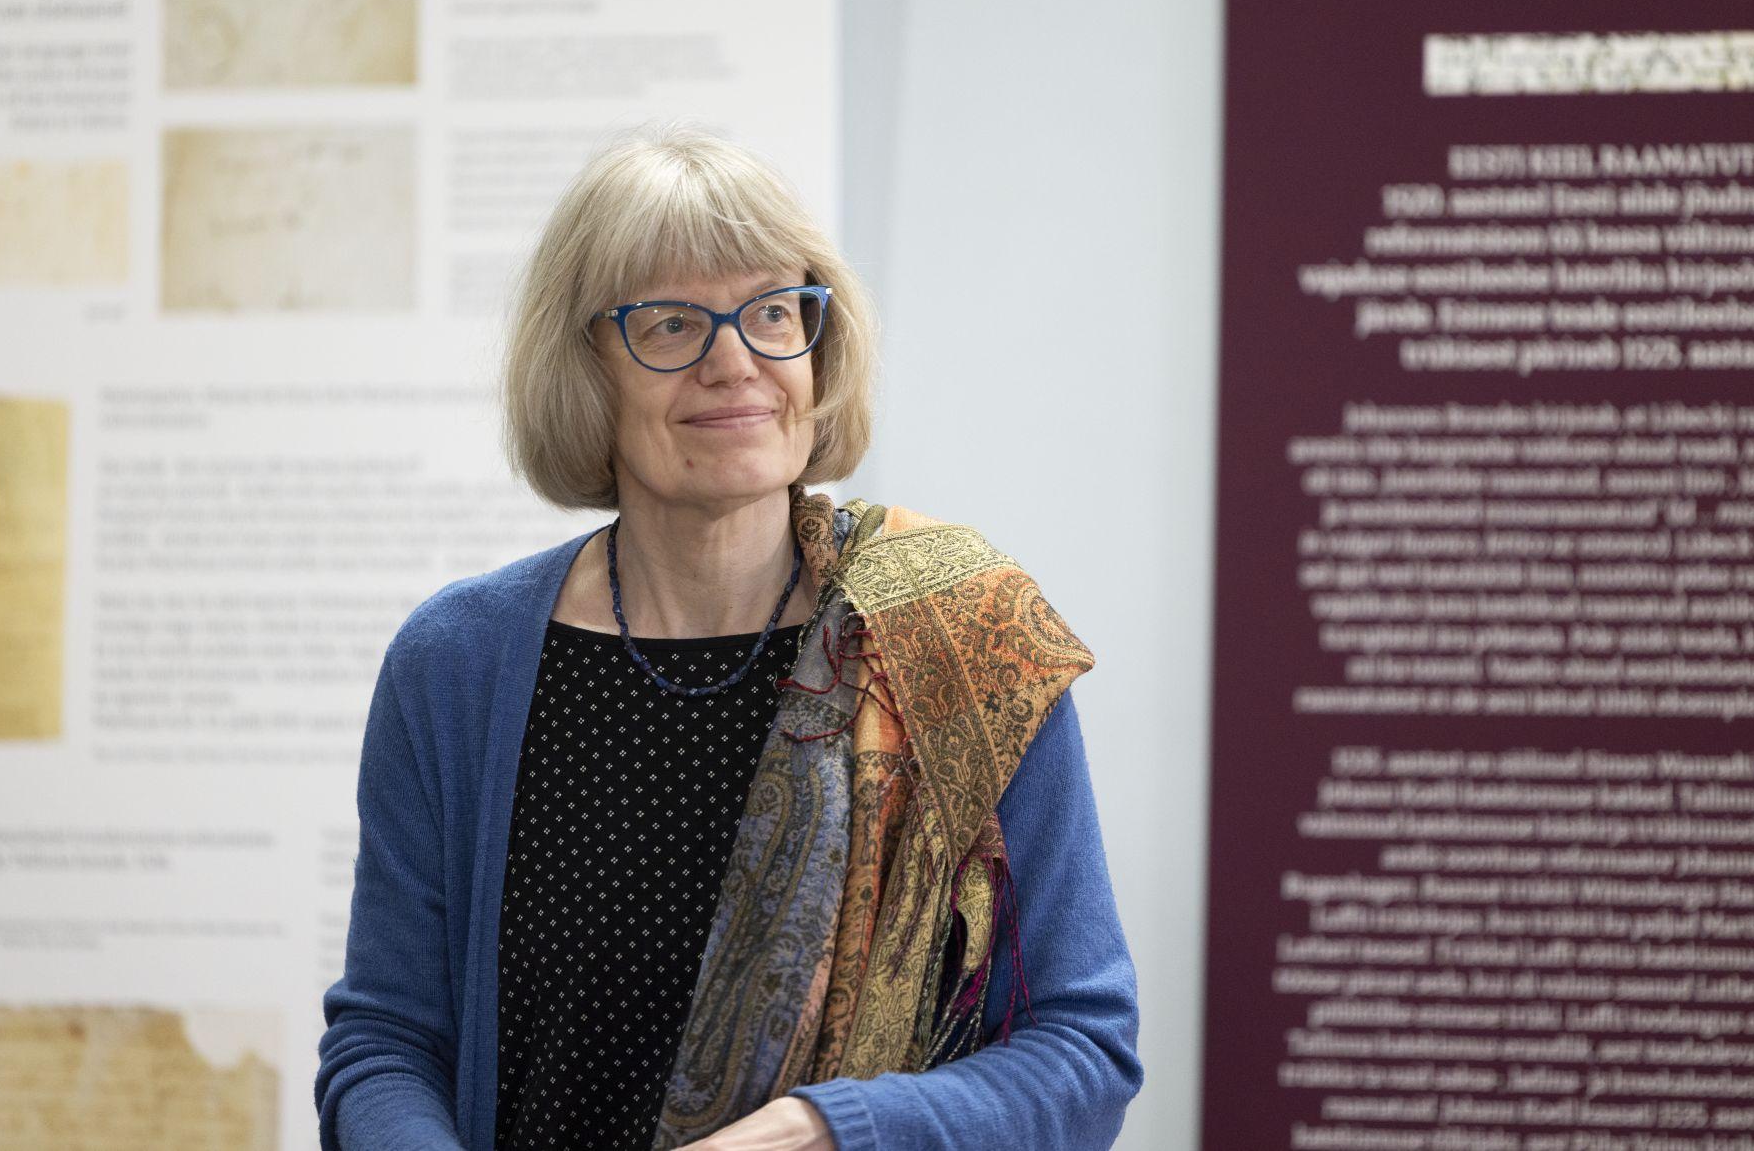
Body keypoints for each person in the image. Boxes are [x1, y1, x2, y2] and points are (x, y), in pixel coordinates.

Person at [314, 121, 1143, 1150]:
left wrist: (824, 1131)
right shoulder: (456, 664)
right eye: (670, 324)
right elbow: (388, 1041)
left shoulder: (959, 637)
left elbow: (1082, 1047)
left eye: (771, 311)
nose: (735, 362)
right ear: (584, 368)